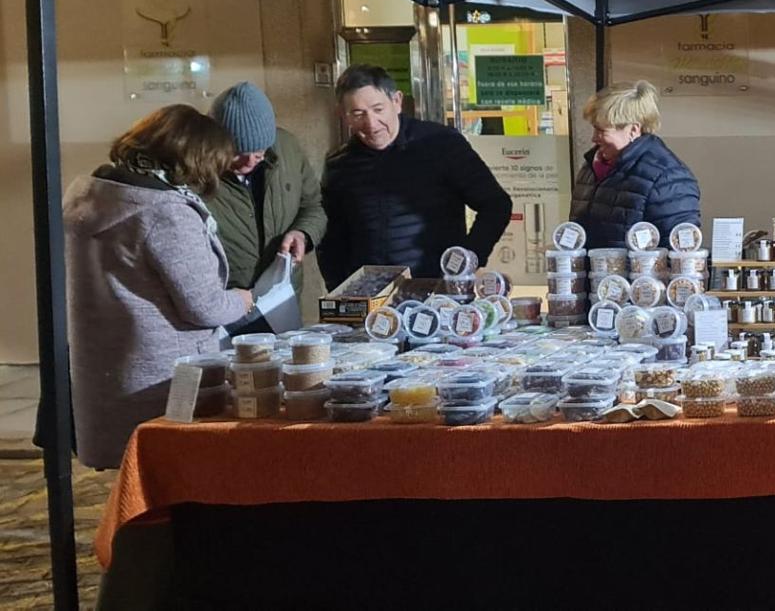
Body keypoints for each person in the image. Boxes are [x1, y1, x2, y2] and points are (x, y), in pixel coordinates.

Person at [63, 105, 254, 469]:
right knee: (172, 472)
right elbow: (204, 305)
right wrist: (242, 300)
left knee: (135, 475)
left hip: (109, 362)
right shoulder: (163, 213)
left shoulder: (96, 194)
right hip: (164, 373)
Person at [318, 65, 513, 284]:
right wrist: (339, 290)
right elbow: (330, 238)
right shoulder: (339, 164)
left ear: (397, 101)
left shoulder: (441, 144)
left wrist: (467, 259)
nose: (371, 124)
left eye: (378, 109)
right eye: (358, 114)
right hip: (368, 298)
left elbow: (496, 204)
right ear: (343, 115)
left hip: (438, 288)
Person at [206, 82, 326, 332]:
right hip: (226, 306)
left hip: (282, 299)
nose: (249, 161)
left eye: (259, 153)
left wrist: (302, 234)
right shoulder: (195, 171)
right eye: (237, 153)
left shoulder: (288, 148)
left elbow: (313, 207)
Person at [570, 80, 701, 249]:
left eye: (602, 131)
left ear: (633, 130)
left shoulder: (667, 177)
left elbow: (679, 251)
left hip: (635, 275)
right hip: (594, 274)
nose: (594, 138)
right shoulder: (591, 168)